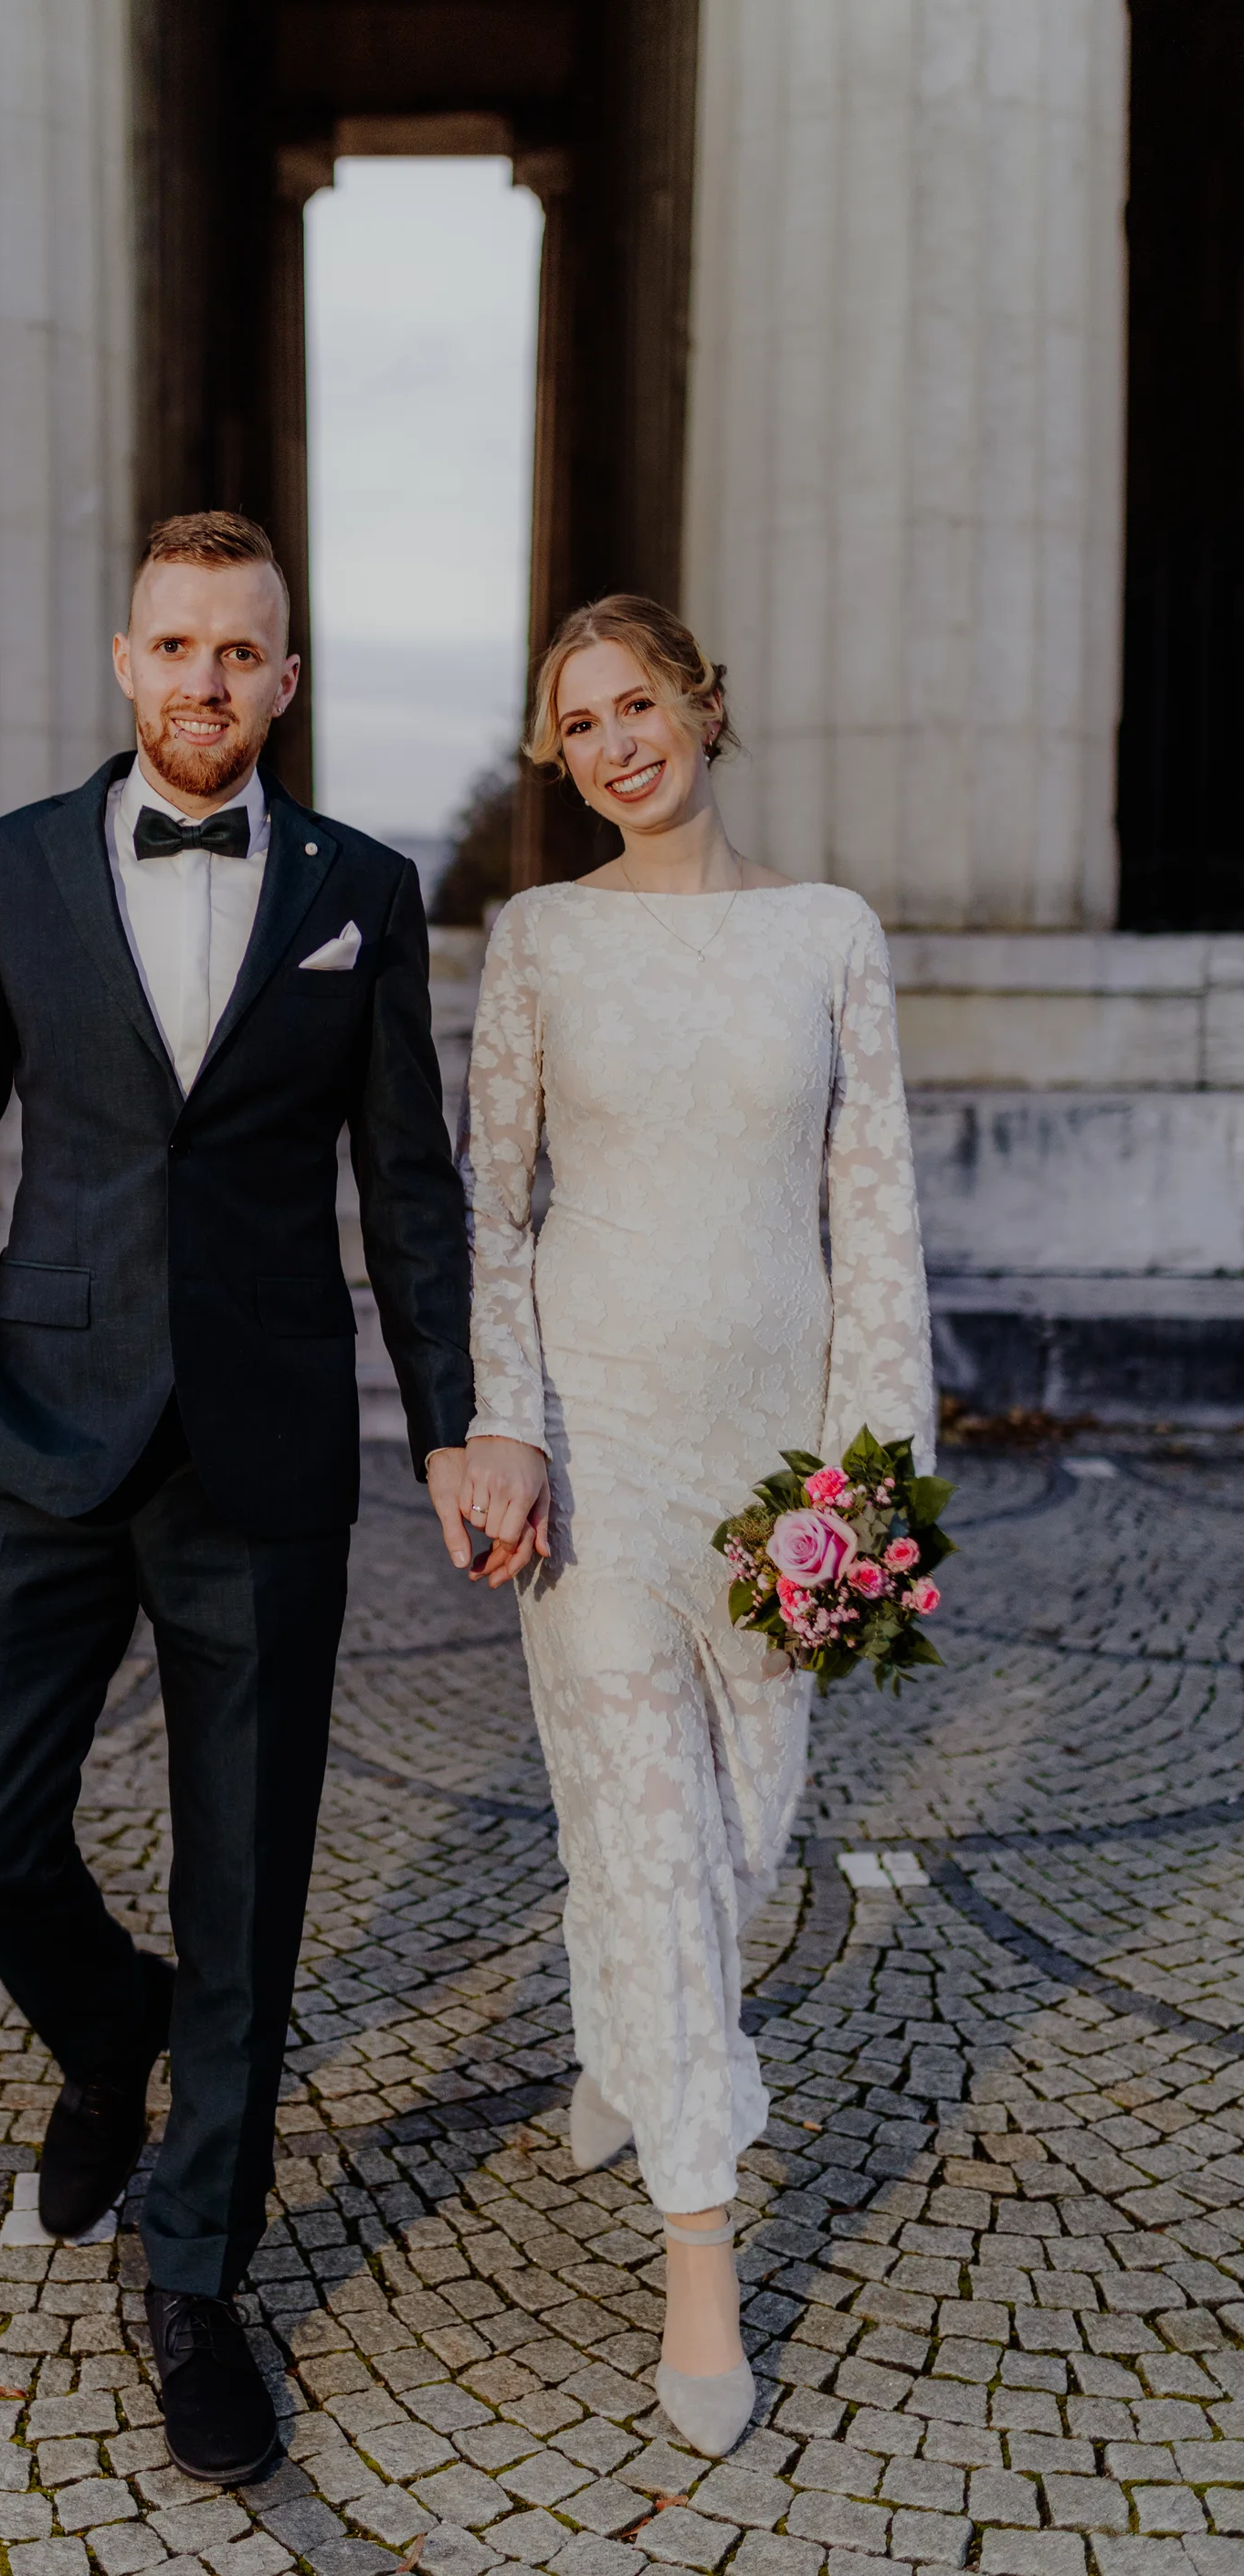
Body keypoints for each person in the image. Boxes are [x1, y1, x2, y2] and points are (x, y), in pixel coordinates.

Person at [0, 512, 477, 2486]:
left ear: (286, 681)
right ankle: (102, 2026)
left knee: (251, 1884)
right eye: (175, 648)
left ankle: (199, 2276)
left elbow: (409, 1185)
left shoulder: (362, 894)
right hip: (34, 1433)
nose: (205, 682)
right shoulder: (13, 868)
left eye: (243, 653)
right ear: (123, 664)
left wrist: (454, 1416)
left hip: (263, 1452)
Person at [455, 596, 934, 2457]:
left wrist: (865, 1491)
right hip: (594, 1455)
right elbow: (493, 1208)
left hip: (775, 1479)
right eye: (579, 727)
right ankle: (702, 2267)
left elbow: (876, 1222)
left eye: (637, 704)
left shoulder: (830, 937)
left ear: (707, 706)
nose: (616, 745)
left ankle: (618, 2043)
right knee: (653, 1828)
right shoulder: (539, 940)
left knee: (735, 1843)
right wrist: (501, 1426)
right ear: (559, 761)